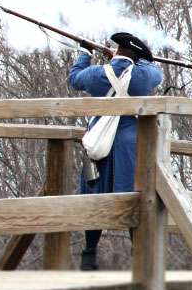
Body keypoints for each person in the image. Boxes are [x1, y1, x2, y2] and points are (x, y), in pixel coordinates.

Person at [69, 32, 163, 270]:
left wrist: (85, 54)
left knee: (95, 199)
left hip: (100, 145)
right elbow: (156, 72)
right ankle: (140, 257)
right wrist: (135, 60)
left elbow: (75, 78)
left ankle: (89, 256)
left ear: (117, 50)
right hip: (130, 146)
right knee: (134, 197)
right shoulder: (142, 75)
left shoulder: (96, 73)